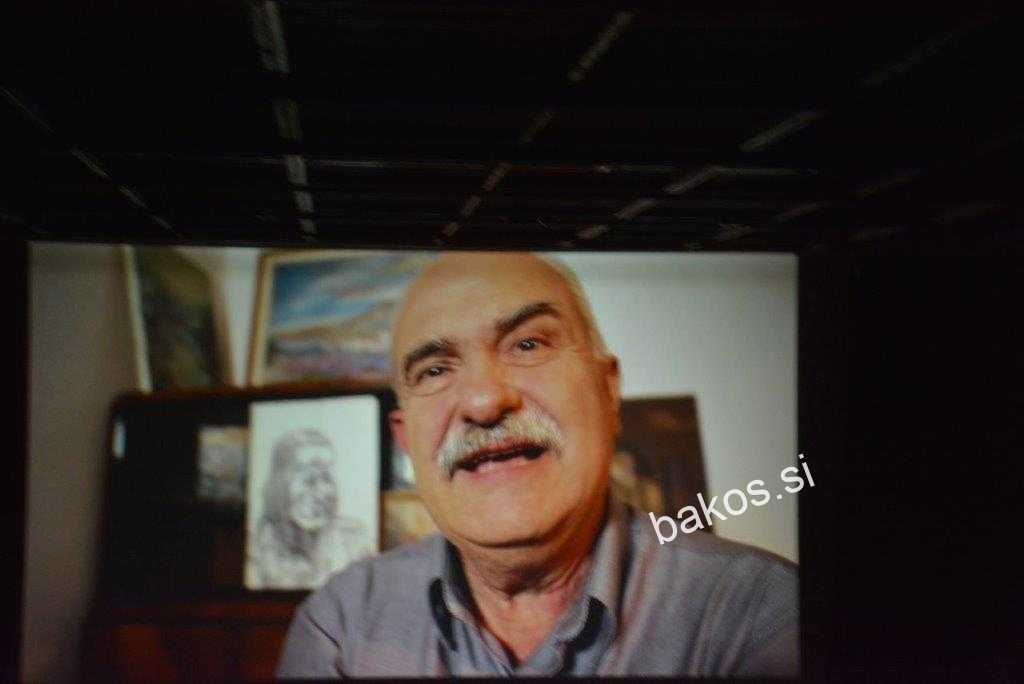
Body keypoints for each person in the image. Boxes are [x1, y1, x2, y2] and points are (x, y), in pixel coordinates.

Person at [277, 253, 799, 677]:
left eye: (527, 344)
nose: (484, 401)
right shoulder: (340, 629)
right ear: (405, 440)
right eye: (434, 370)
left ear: (608, 392)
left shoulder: (765, 616)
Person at [250, 428, 370, 590]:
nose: (321, 492)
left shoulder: (354, 541)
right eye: (309, 480)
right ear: (278, 486)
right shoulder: (256, 547)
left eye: (326, 479)